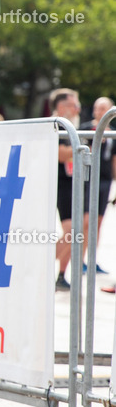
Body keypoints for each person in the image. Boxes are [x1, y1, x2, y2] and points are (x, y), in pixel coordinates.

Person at [52, 88, 87, 291]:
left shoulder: (72, 128)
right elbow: (61, 154)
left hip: (73, 182)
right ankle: (42, 267)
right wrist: (76, 151)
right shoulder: (55, 125)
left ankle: (61, 274)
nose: (78, 109)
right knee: (70, 230)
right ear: (61, 106)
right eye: (74, 105)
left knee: (77, 230)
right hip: (59, 183)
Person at [90, 97, 115, 276]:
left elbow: (114, 161)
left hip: (105, 179)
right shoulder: (85, 128)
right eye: (98, 108)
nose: (101, 111)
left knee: (98, 221)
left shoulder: (113, 133)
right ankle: (81, 257)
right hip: (87, 179)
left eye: (104, 108)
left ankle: (92, 259)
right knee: (84, 221)